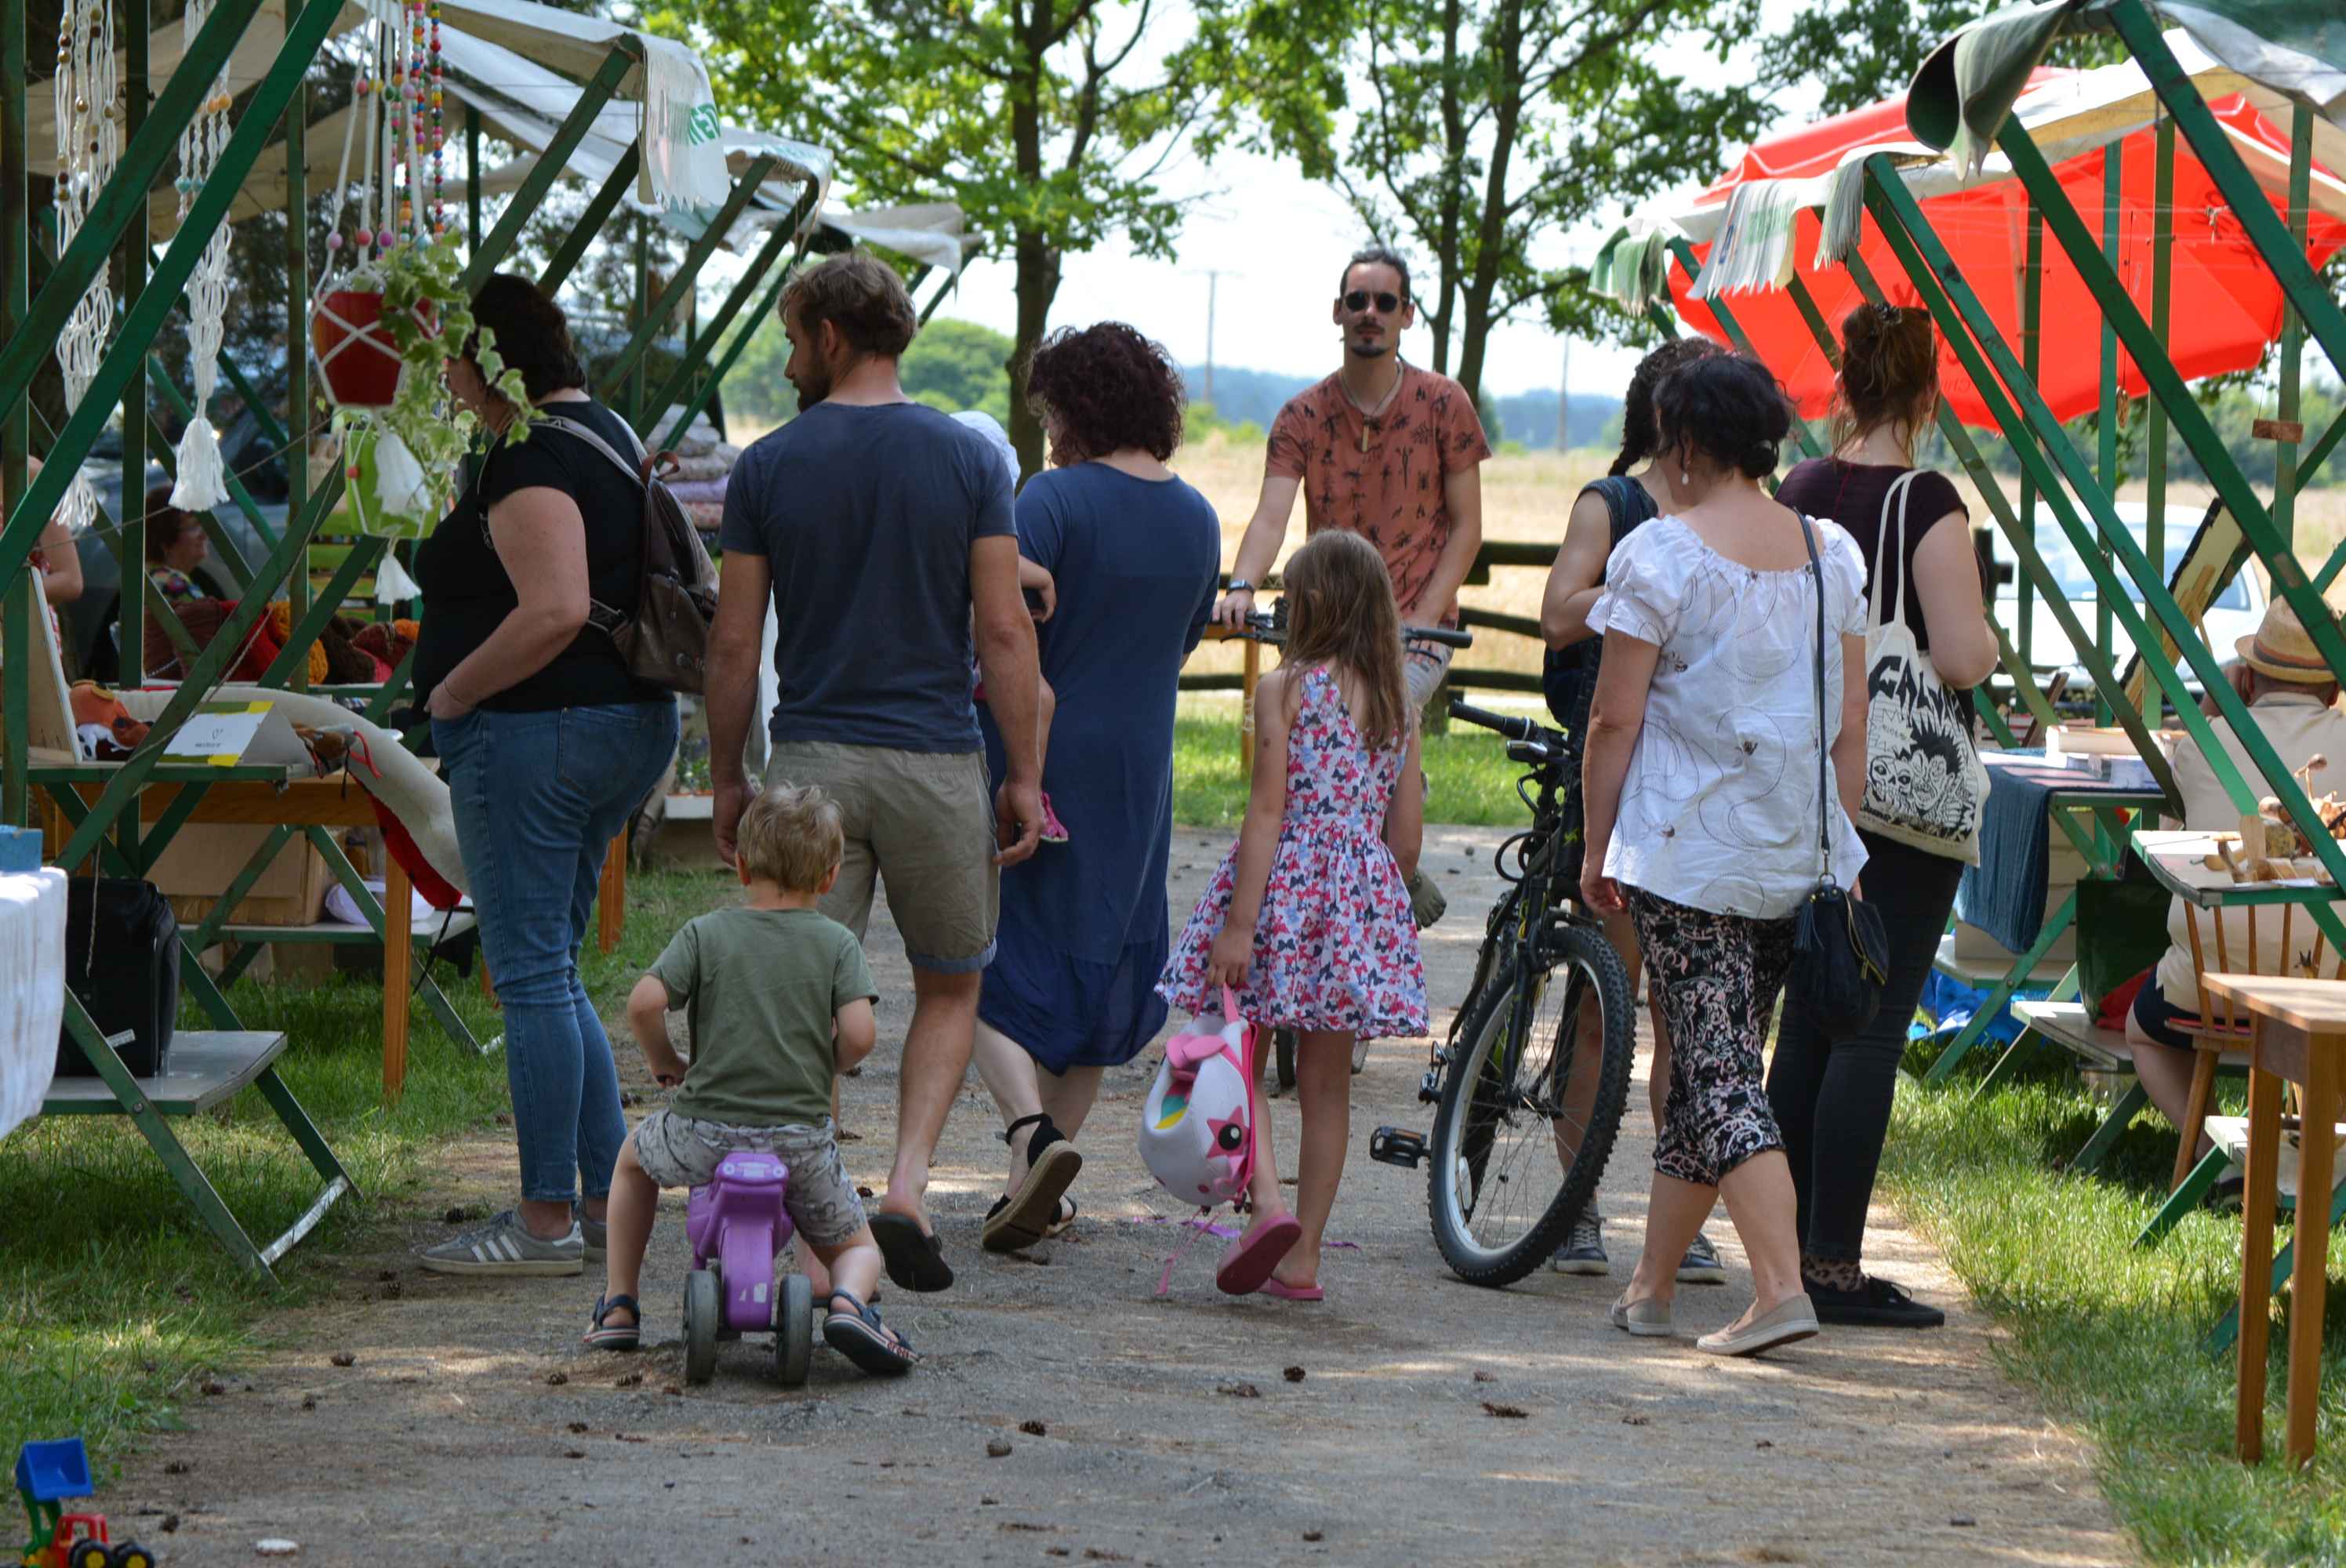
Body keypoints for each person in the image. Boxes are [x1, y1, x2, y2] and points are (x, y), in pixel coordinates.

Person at [706, 252, 1044, 1296]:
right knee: (951, 985)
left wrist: (729, 776)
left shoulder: (768, 467)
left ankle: (811, 1226)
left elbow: (731, 642)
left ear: (832, 335)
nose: (789, 356)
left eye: (793, 335)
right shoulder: (968, 458)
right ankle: (905, 1185)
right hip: (938, 758)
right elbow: (1002, 625)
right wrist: (1025, 770)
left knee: (795, 992)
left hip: (812, 763)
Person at [1578, 352, 1868, 1357]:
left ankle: (1779, 1288)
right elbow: (1849, 724)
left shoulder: (1661, 555)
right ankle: (1650, 1288)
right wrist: (1843, 843)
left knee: (1718, 1075)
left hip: (1685, 854)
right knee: (1717, 1065)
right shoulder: (1831, 553)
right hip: (1794, 854)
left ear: (1685, 441)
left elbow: (1613, 720)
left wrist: (1593, 841)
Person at [414, 272, 680, 1276]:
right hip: (615, 727)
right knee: (552, 965)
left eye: (447, 360)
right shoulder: (603, 430)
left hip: (541, 731)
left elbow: (555, 607)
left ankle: (542, 1220)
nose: (441, 381)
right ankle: (611, 1192)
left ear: (486, 360)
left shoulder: (525, 454)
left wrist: (452, 694)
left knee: (527, 972)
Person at [1766, 303, 1997, 1331]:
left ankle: (1780, 1250)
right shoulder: (1929, 501)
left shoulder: (1799, 490)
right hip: (1898, 794)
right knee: (1870, 1017)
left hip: (1800, 773)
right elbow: (1960, 656)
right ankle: (1834, 1266)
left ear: (1843, 382)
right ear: (1925, 391)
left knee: (1806, 1008)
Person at [967, 323, 1221, 1253]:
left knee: (974, 965)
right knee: (1096, 969)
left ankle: (1031, 1141)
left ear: (1075, 406)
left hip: (1043, 753)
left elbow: (1002, 625)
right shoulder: (1197, 514)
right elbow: (1186, 635)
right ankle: (1035, 1184)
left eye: (1048, 410)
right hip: (1140, 768)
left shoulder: (1052, 499)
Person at [1160, 530, 1429, 1301]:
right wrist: (1369, 905)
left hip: (1280, 889)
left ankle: (1267, 1201)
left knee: (1236, 1048)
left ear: (1311, 603)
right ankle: (1303, 1254)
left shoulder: (1285, 687)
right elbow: (1405, 841)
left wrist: (1240, 925)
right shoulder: (1396, 704)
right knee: (1327, 1086)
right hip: (1353, 900)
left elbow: (1268, 809)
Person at [586, 782, 916, 1375]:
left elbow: (642, 1004)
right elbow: (861, 1035)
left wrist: (666, 1064)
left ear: (739, 864)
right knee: (862, 1246)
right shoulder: (838, 944)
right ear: (831, 876)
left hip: (704, 1130)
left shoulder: (705, 933)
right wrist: (827, 1064)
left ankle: (618, 1306)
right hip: (801, 1142)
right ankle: (846, 1301)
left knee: (631, 1162)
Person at [1214, 243, 1489, 950]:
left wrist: (1424, 617)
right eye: (1357, 301)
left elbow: (1467, 527)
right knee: (1304, 751)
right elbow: (1271, 516)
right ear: (1337, 313)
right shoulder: (1302, 414)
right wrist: (1243, 587)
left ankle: (1386, 885)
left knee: (1379, 710)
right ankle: (1345, 895)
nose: (1370, 314)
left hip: (1416, 631)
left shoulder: (1443, 404)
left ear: (1406, 317)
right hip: (1327, 624)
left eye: (1385, 303)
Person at [1537, 335, 1727, 1285]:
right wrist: (1642, 581)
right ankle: (1574, 1204)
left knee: (1688, 1016)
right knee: (1603, 1007)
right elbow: (1559, 613)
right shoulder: (1612, 504)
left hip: (1701, 786)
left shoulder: (1739, 514)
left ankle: (1677, 1213)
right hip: (1617, 766)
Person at [2126, 600, 2346, 1154]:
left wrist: (2216, 700)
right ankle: (2322, 1155)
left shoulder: (2202, 746)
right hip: (2330, 983)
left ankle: (2214, 1159)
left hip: (2209, 984)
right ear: (2334, 691)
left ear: (2247, 679)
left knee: (2142, 1032)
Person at [953, 408, 1071, 844]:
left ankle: (1031, 789)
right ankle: (1028, 790)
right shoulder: (964, 519)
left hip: (972, 657)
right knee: (1039, 695)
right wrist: (1040, 576)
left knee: (1041, 696)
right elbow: (990, 559)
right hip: (970, 651)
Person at [143, 485, 209, 608]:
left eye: (202, 526)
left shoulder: (147, 577)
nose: (204, 535)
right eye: (194, 527)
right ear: (165, 539)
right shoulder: (174, 584)